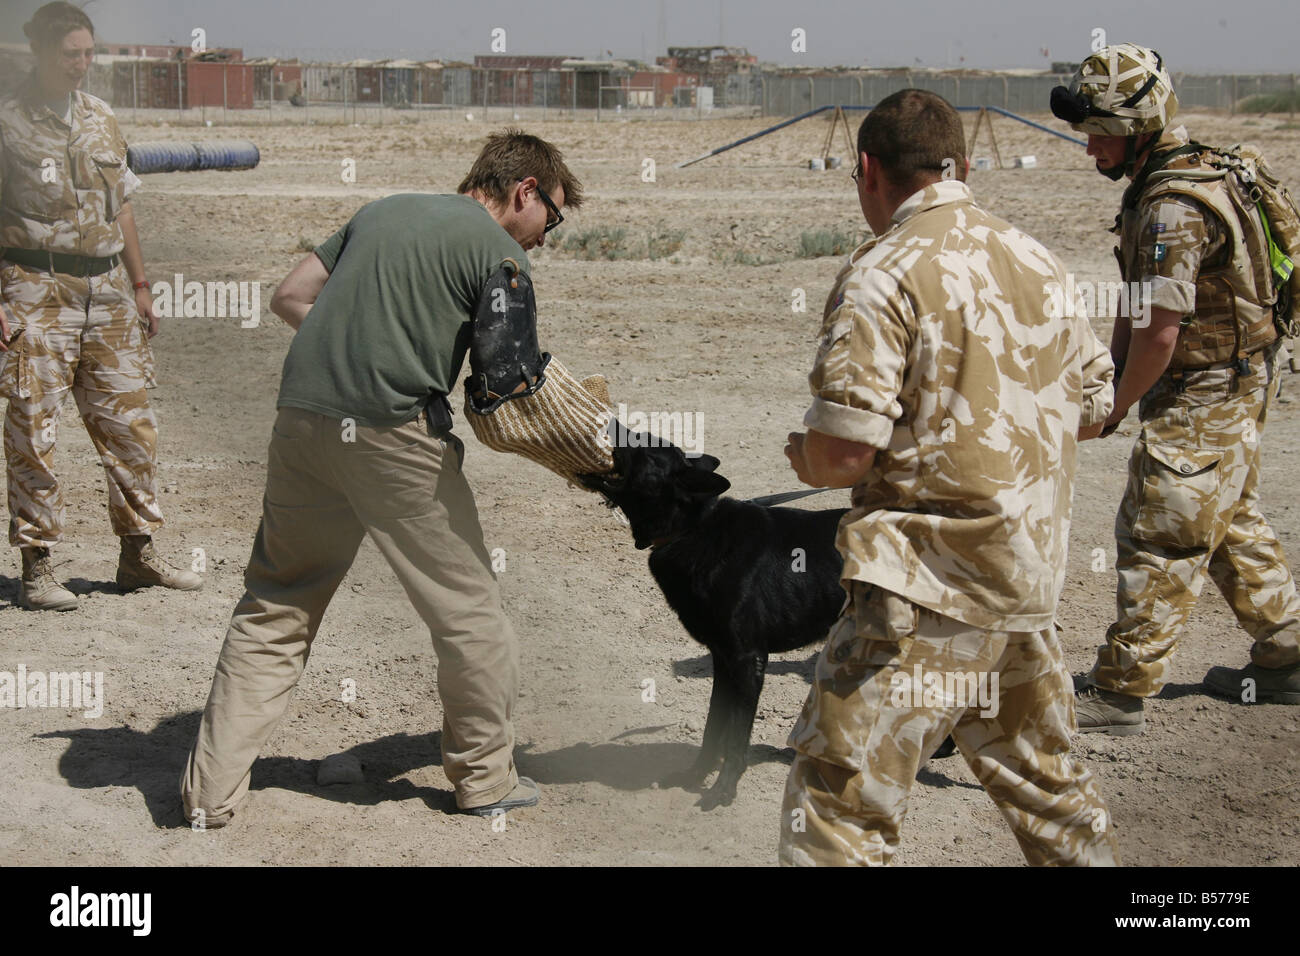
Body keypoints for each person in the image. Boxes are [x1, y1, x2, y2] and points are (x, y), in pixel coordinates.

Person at [181, 129, 590, 827]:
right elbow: (501, 386)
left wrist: (355, 346)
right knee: (469, 614)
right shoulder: (499, 254)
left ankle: (206, 796)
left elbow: (290, 297)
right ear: (525, 193)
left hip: (300, 421)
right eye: (551, 217)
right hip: (393, 435)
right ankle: (486, 778)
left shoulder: (379, 211)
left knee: (278, 601)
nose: (546, 237)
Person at [779, 89, 1118, 866]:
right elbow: (1097, 409)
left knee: (839, 811)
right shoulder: (1036, 257)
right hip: (1023, 591)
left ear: (867, 171)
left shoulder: (883, 271)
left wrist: (806, 456)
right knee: (1053, 798)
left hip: (922, 595)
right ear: (963, 166)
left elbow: (844, 455)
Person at [1051, 44, 1300, 735]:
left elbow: (1159, 330)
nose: (1091, 146)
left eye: (1101, 131)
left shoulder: (1169, 209)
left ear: (1140, 127)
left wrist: (1117, 404)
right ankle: (1288, 653)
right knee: (1222, 518)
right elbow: (1142, 309)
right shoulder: (1202, 171)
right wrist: (1107, 380)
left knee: (1159, 531)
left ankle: (1121, 688)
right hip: (1238, 380)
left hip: (1203, 390)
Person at [0, 1, 201, 611]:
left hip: (108, 293)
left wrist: (141, 287)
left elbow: (123, 207)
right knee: (34, 428)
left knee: (132, 425)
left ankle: (138, 555)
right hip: (35, 290)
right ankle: (38, 567)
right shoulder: (8, 123)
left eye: (88, 53)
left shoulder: (101, 118)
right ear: (39, 50)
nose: (81, 65)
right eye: (70, 54)